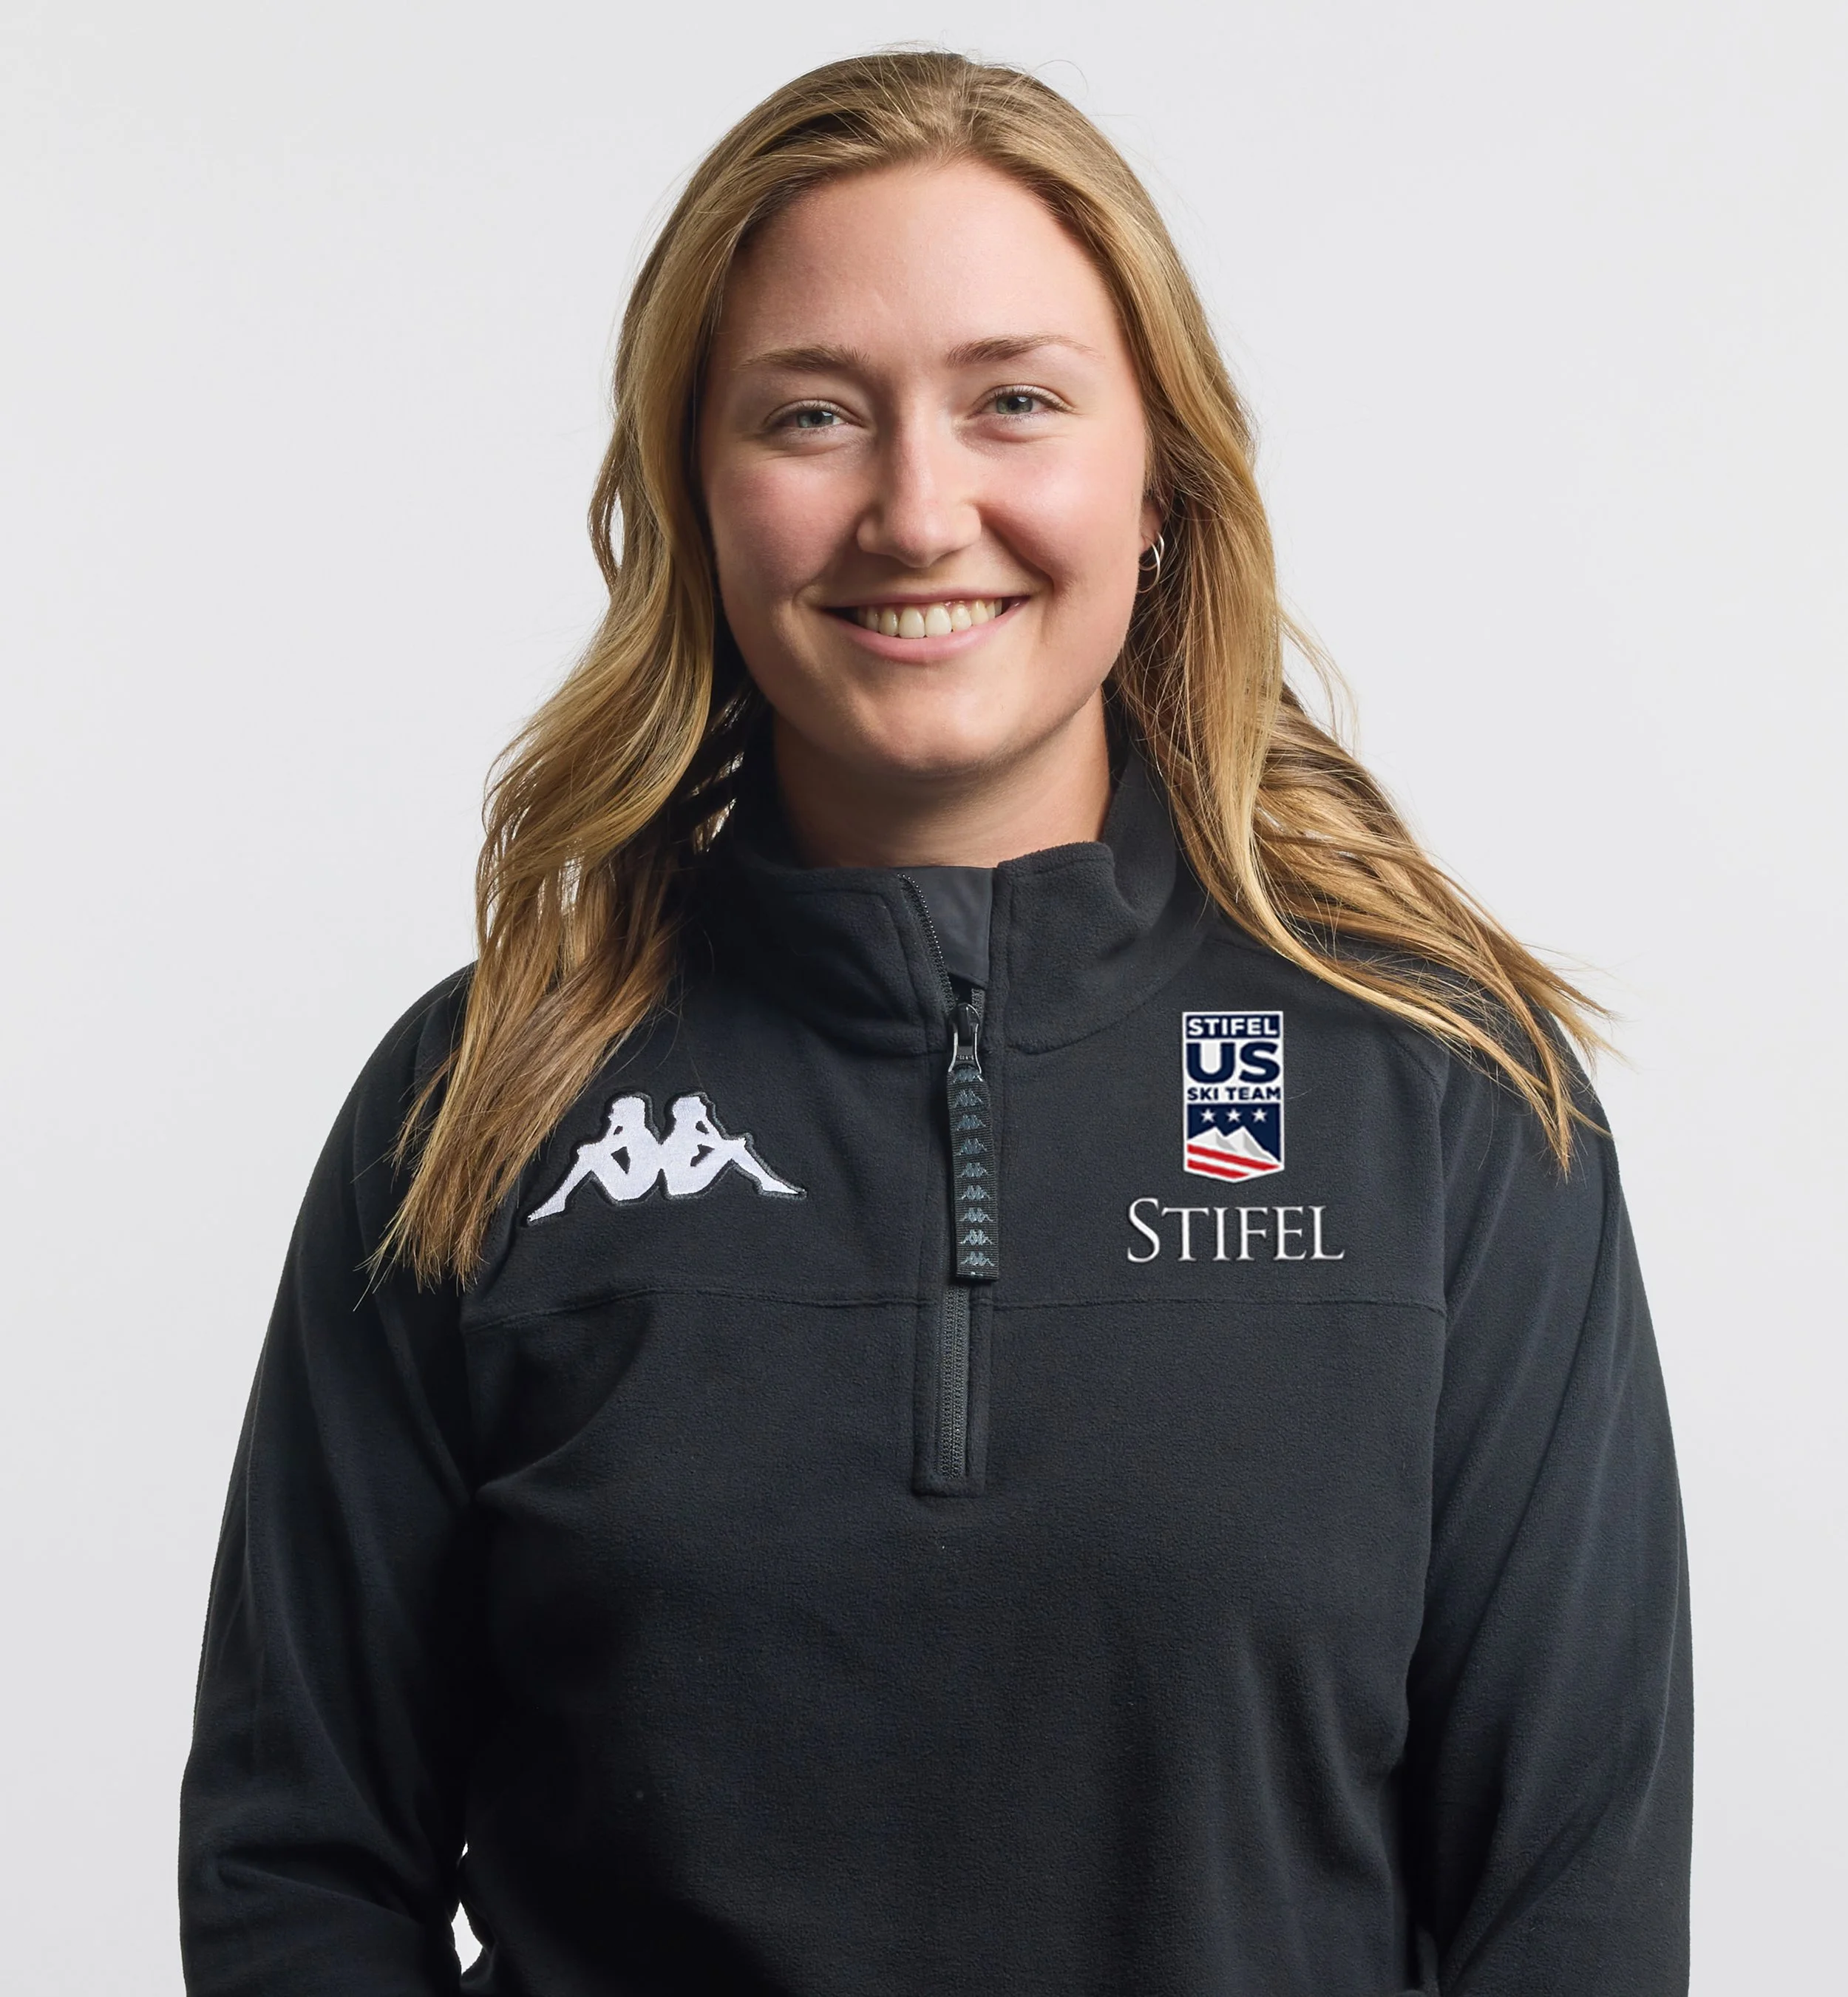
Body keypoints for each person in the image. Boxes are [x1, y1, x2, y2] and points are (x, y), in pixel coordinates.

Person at [178, 50, 1691, 1997]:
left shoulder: (1448, 1107)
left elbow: (1568, 1906)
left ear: (1159, 479)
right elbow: (299, 1856)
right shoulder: (482, 1101)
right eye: (812, 414)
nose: (915, 510)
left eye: (1014, 402)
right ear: (694, 495)